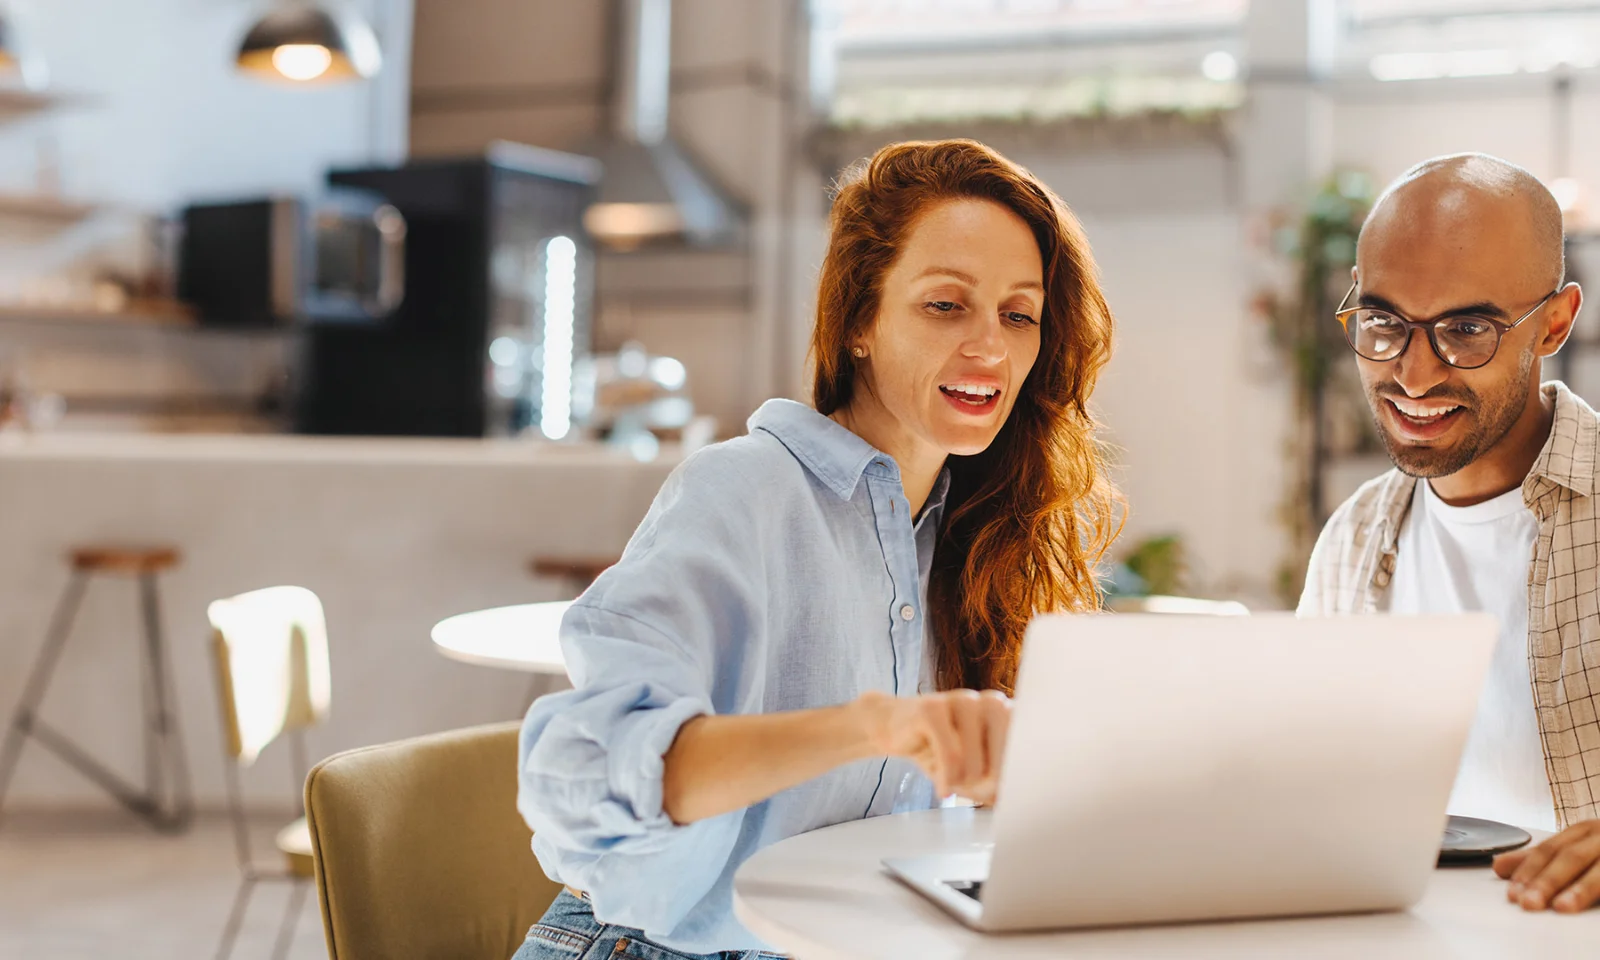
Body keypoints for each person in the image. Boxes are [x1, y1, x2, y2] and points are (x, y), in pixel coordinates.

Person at [510, 138, 1121, 959]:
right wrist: (876, 725)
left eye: (1019, 314)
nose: (991, 349)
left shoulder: (979, 537)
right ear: (860, 321)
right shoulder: (741, 490)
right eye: (946, 305)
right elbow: (584, 776)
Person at [1300, 153, 1600, 914]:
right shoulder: (1354, 539)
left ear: (1555, 324)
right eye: (1384, 323)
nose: (1416, 374)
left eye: (1467, 328)